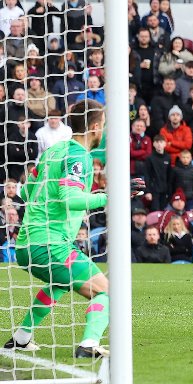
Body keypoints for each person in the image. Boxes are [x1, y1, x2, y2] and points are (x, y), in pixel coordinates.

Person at [3, 100, 142, 358]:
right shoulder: (79, 156)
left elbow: (27, 191)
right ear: (95, 126)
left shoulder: (52, 151)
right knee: (108, 290)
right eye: (104, 127)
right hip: (50, 244)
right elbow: (69, 199)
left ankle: (21, 338)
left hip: (26, 243)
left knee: (60, 283)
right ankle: (89, 344)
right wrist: (111, 195)